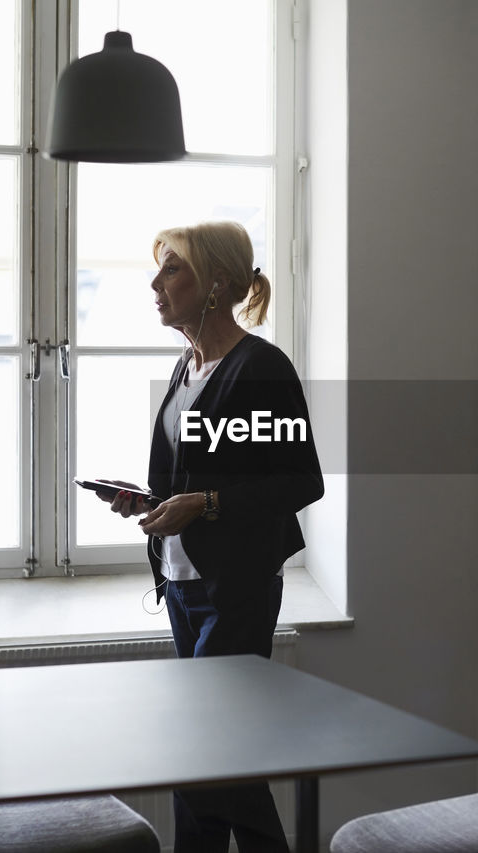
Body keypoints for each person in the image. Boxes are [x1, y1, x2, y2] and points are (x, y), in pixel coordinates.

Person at [101, 220, 323, 853]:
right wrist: (150, 501)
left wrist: (205, 504)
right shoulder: (187, 367)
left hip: (237, 590)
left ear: (217, 284)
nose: (155, 284)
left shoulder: (260, 368)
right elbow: (196, 476)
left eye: (173, 269)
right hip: (181, 586)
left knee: (201, 752)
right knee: (216, 755)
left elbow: (300, 481)